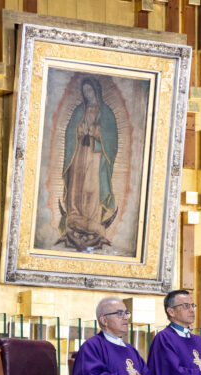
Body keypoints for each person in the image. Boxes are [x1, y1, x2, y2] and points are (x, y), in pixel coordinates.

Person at [58, 77, 118, 252]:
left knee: (92, 187)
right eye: (85, 92)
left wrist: (97, 133)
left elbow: (112, 138)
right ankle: (75, 216)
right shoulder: (79, 111)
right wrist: (78, 131)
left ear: (96, 91)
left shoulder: (106, 113)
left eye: (90, 91)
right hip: (79, 154)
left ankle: (92, 220)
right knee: (77, 186)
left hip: (95, 155)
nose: (87, 95)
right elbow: (70, 132)